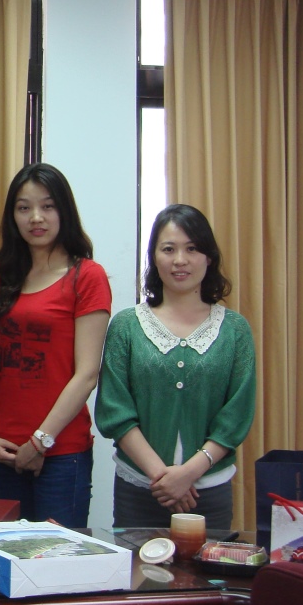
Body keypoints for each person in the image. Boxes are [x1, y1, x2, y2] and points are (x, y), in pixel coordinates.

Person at [95, 204, 256, 530]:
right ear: (154, 257)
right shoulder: (126, 326)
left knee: (205, 566)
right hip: (138, 491)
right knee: (137, 565)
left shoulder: (235, 330)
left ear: (208, 257)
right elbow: (114, 410)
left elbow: (236, 415)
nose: (180, 260)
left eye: (192, 249)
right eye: (168, 249)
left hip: (208, 492)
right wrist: (164, 478)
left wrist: (188, 474)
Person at [0, 162, 110, 527]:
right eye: (24, 208)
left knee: (57, 556)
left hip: (61, 454)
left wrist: (40, 442)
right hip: (2, 453)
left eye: (47, 206)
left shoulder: (87, 276)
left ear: (64, 210)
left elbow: (87, 374)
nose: (36, 217)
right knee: (2, 556)